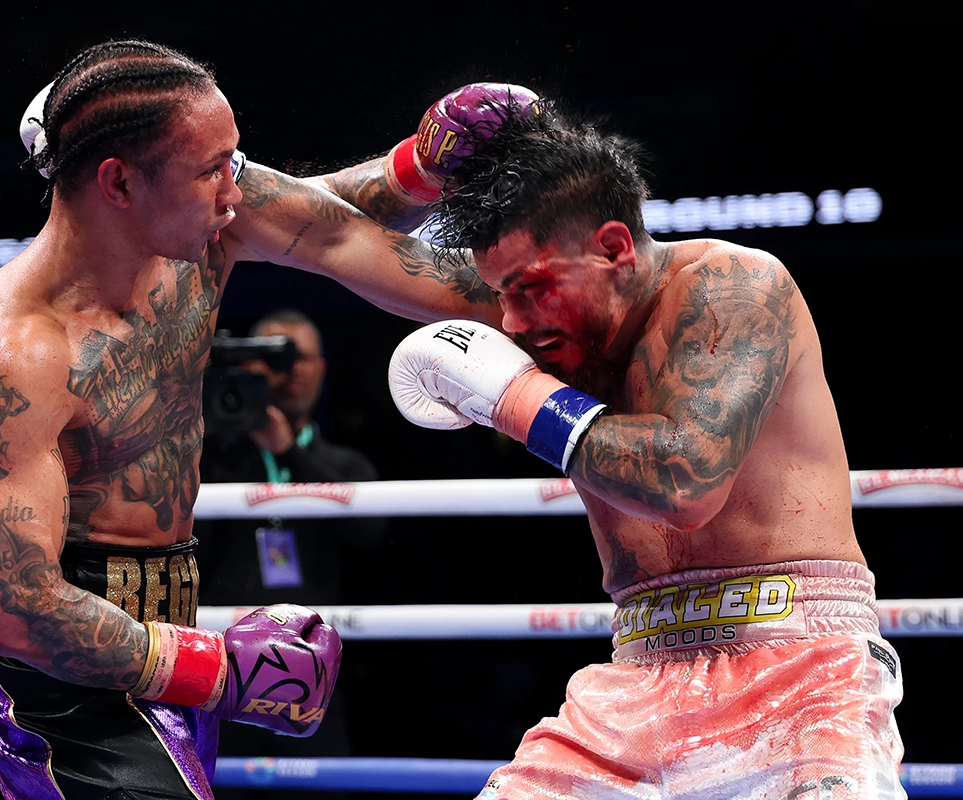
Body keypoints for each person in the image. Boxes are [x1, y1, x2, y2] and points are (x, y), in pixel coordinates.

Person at [0, 38, 524, 799]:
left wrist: (441, 181)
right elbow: (21, 611)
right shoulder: (11, 356)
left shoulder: (201, 228)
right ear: (117, 183)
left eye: (233, 162)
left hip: (164, 634)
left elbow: (335, 222)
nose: (236, 188)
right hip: (60, 688)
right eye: (212, 169)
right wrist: (220, 668)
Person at [387, 97, 906, 798]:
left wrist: (515, 398)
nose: (508, 322)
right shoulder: (545, 319)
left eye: (529, 289)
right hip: (632, 684)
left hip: (800, 662)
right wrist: (405, 170)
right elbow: (324, 239)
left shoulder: (736, 286)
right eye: (500, 294)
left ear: (613, 247)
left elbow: (685, 483)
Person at [196, 309, 386, 799]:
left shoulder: (343, 464)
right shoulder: (208, 459)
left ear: (321, 369)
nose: (289, 372)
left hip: (317, 676)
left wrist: (287, 452)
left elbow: (371, 531)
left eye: (297, 358)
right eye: (273, 360)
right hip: (224, 670)